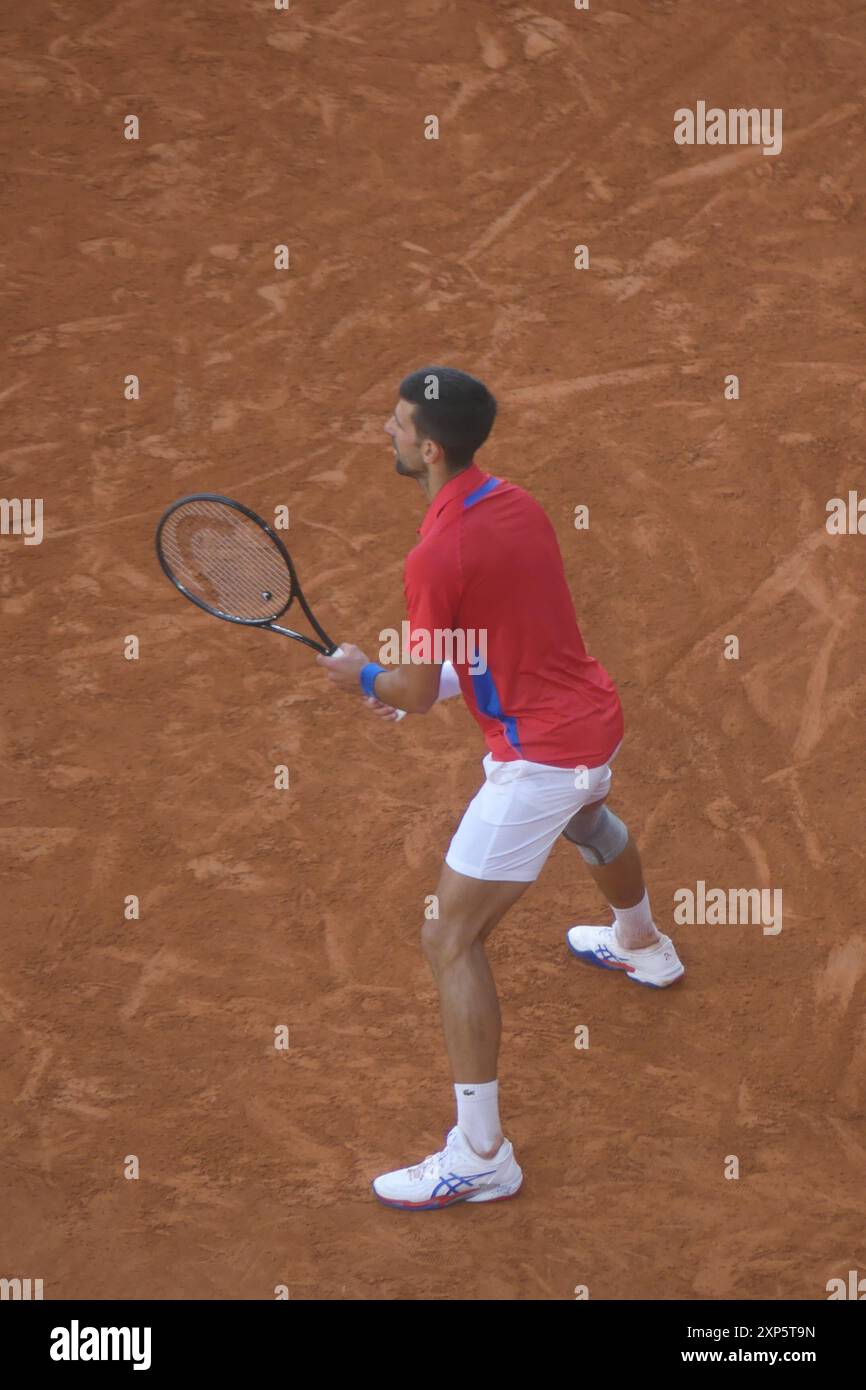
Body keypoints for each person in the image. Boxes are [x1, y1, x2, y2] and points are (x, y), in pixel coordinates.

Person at [316, 366, 684, 1211]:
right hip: (594, 721)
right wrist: (429, 684)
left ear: (430, 447)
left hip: (538, 760)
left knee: (449, 937)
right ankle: (640, 944)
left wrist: (362, 676)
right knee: (590, 824)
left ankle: (481, 1154)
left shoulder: (435, 555)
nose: (388, 431)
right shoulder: (517, 505)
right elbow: (507, 639)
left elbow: (410, 687)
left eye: (398, 423)